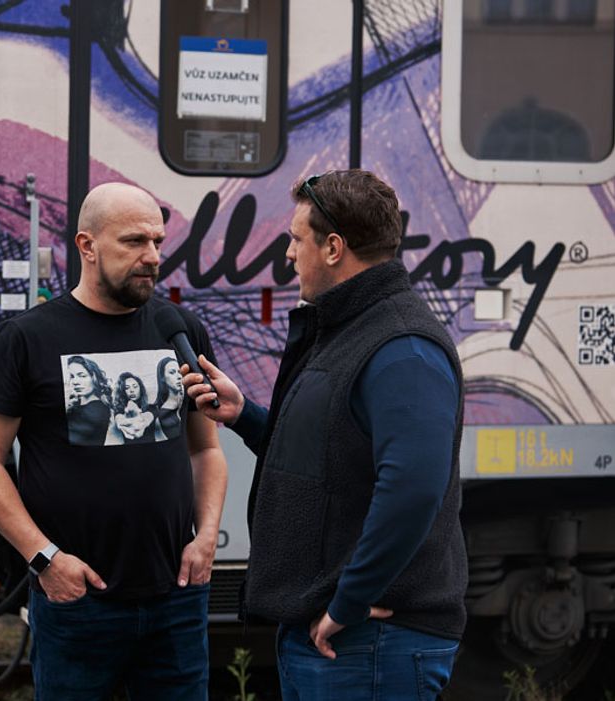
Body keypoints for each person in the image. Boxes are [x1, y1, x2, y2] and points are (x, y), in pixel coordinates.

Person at [183, 170, 467, 700]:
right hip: (336, 639)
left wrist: (349, 601)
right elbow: (326, 457)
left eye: (296, 239)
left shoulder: (403, 347)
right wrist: (243, 415)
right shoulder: (350, 329)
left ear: (334, 248)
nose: (289, 254)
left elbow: (412, 489)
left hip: (368, 644)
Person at [0, 182, 228, 700]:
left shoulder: (180, 329)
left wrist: (205, 540)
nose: (152, 256)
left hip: (176, 598)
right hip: (77, 599)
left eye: (157, 241)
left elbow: (206, 449)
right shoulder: (27, 338)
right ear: (87, 245)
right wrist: (45, 559)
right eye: (134, 241)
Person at [65, 354, 114, 446]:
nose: (75, 382)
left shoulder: (97, 409)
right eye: (72, 376)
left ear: (94, 378)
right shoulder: (76, 406)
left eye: (82, 376)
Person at [111, 371, 154, 444]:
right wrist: (122, 421)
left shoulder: (151, 408)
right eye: (127, 388)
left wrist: (144, 421)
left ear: (141, 389)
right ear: (123, 392)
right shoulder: (120, 411)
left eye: (135, 386)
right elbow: (119, 418)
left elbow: (149, 416)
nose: (131, 390)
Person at [150, 356, 185, 441]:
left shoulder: (185, 401)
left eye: (179, 372)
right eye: (172, 372)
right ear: (162, 378)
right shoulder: (162, 415)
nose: (179, 376)